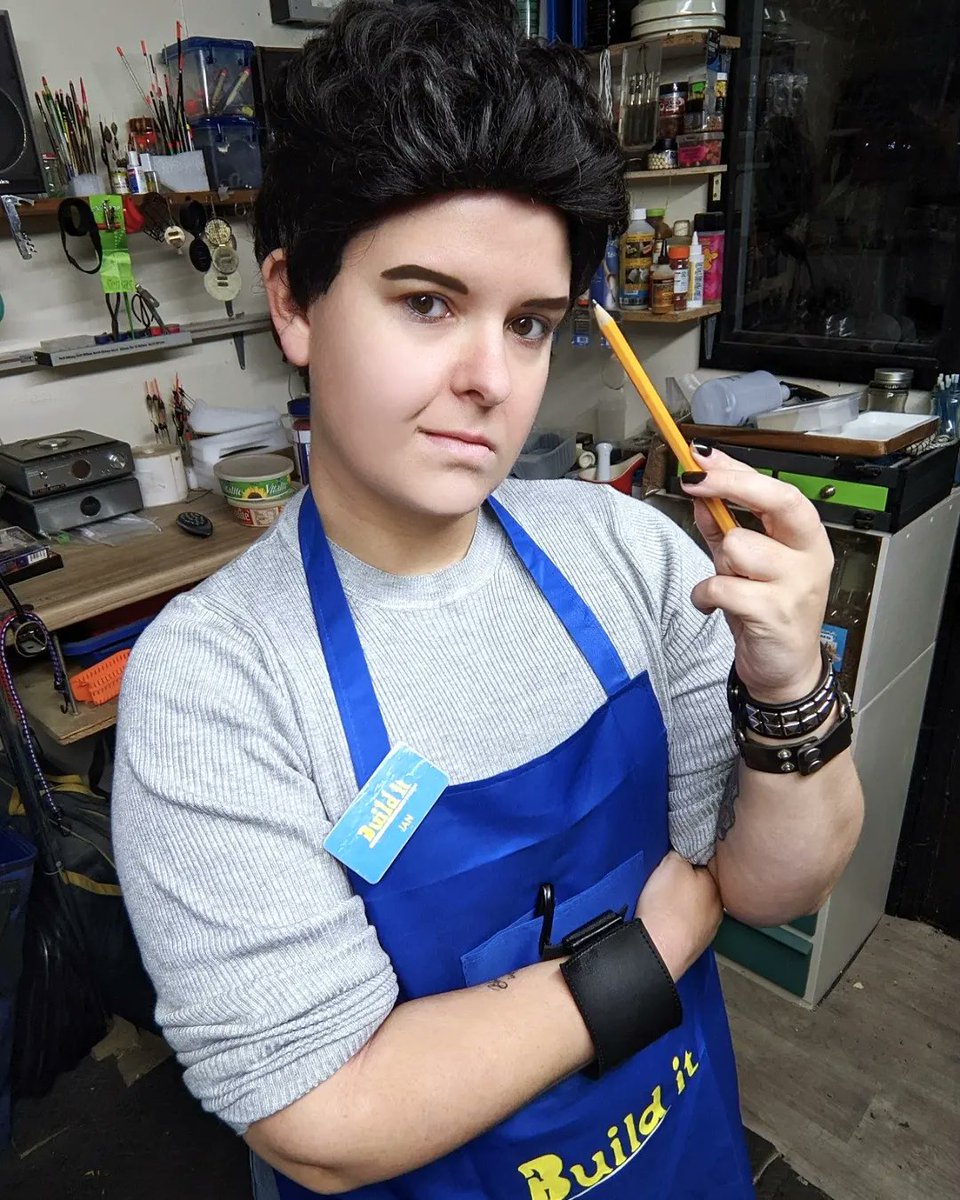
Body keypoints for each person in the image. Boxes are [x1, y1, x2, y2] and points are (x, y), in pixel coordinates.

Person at [112, 3, 864, 1197]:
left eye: (528, 325)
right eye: (426, 302)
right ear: (295, 303)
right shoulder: (216, 686)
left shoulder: (634, 556)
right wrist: (656, 942)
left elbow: (775, 884)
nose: (490, 380)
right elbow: (320, 1115)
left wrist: (790, 689)